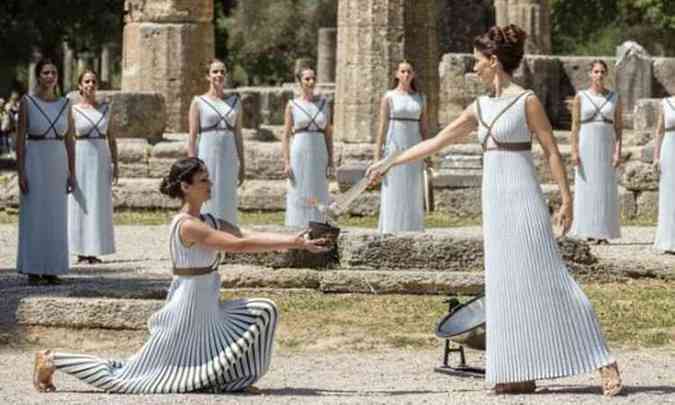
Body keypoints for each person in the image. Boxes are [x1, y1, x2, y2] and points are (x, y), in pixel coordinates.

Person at [367, 25, 622, 396]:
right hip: (495, 203)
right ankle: (520, 369)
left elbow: (551, 150)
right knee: (505, 286)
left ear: (493, 61)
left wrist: (567, 200)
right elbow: (436, 141)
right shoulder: (480, 107)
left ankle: (604, 361)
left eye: (477, 62)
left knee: (552, 279)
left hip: (524, 200)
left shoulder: (526, 101)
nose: (473, 69)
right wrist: (390, 163)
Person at [33, 157, 329, 394]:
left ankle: (229, 381)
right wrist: (294, 244)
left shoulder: (209, 220)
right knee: (127, 376)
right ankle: (52, 359)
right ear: (186, 187)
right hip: (186, 308)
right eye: (203, 181)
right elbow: (238, 245)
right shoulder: (187, 225)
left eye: (208, 179)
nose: (209, 184)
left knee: (265, 310)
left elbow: (243, 233)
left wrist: (297, 237)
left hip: (207, 305)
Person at [16, 58, 76, 285]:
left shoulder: (65, 104)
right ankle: (33, 268)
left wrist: (72, 172)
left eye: (53, 73)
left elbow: (70, 140)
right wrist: (21, 172)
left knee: (55, 215)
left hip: (57, 161)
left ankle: (52, 268)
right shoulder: (27, 102)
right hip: (35, 160)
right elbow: (20, 140)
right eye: (45, 73)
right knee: (34, 214)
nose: (50, 77)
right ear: (38, 76)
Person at [569, 60, 622, 244]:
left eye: (602, 72)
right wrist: (574, 151)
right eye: (596, 72)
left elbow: (619, 129)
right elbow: (574, 127)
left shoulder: (614, 97)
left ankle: (603, 232)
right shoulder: (581, 97)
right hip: (586, 145)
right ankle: (588, 229)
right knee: (587, 186)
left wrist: (618, 152)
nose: (599, 75)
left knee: (605, 188)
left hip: (606, 145)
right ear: (590, 74)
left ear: (606, 74)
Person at [68, 69, 118, 264]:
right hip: (81, 154)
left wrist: (116, 162)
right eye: (86, 82)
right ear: (80, 86)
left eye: (93, 82)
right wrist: (68, 166)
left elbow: (112, 138)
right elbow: (69, 139)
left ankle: (95, 248)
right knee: (80, 202)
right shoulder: (73, 110)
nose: (90, 85)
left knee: (98, 202)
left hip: (100, 156)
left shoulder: (105, 109)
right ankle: (80, 248)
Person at [187, 59, 245, 224]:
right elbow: (192, 136)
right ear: (208, 76)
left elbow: (238, 135)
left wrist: (243, 164)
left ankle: (228, 235)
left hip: (229, 154)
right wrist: (192, 164)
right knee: (207, 191)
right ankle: (205, 231)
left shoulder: (235, 102)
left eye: (222, 72)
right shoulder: (198, 102)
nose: (219, 75)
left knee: (227, 195)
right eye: (215, 72)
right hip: (207, 152)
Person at [374, 61, 428, 233]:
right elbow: (382, 127)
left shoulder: (420, 98)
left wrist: (428, 154)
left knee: (413, 187)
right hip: (394, 145)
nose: (406, 75)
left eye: (409, 72)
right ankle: (391, 227)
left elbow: (424, 128)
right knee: (394, 186)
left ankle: (412, 228)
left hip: (414, 145)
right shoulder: (389, 96)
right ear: (397, 74)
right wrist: (377, 157)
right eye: (403, 71)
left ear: (413, 75)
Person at [282, 64, 334, 227]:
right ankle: (297, 227)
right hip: (300, 150)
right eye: (307, 79)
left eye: (313, 78)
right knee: (299, 189)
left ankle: (319, 226)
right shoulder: (292, 105)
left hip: (319, 151)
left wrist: (331, 159)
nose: (311, 82)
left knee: (319, 189)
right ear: (299, 81)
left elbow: (328, 134)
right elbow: (285, 135)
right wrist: (286, 162)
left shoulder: (324, 104)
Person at [653, 96, 675, 253]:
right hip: (669, 149)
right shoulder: (666, 103)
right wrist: (656, 157)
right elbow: (659, 131)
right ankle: (668, 239)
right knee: (669, 194)